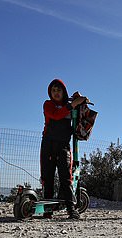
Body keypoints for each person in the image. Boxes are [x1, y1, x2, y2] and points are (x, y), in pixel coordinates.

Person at [40, 78, 88, 219]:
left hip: (63, 146)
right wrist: (73, 103)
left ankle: (71, 209)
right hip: (48, 144)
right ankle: (47, 210)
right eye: (53, 90)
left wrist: (80, 99)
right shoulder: (48, 105)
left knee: (66, 177)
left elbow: (81, 107)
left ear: (64, 92)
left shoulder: (70, 105)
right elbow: (55, 114)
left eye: (59, 90)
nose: (56, 93)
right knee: (48, 177)